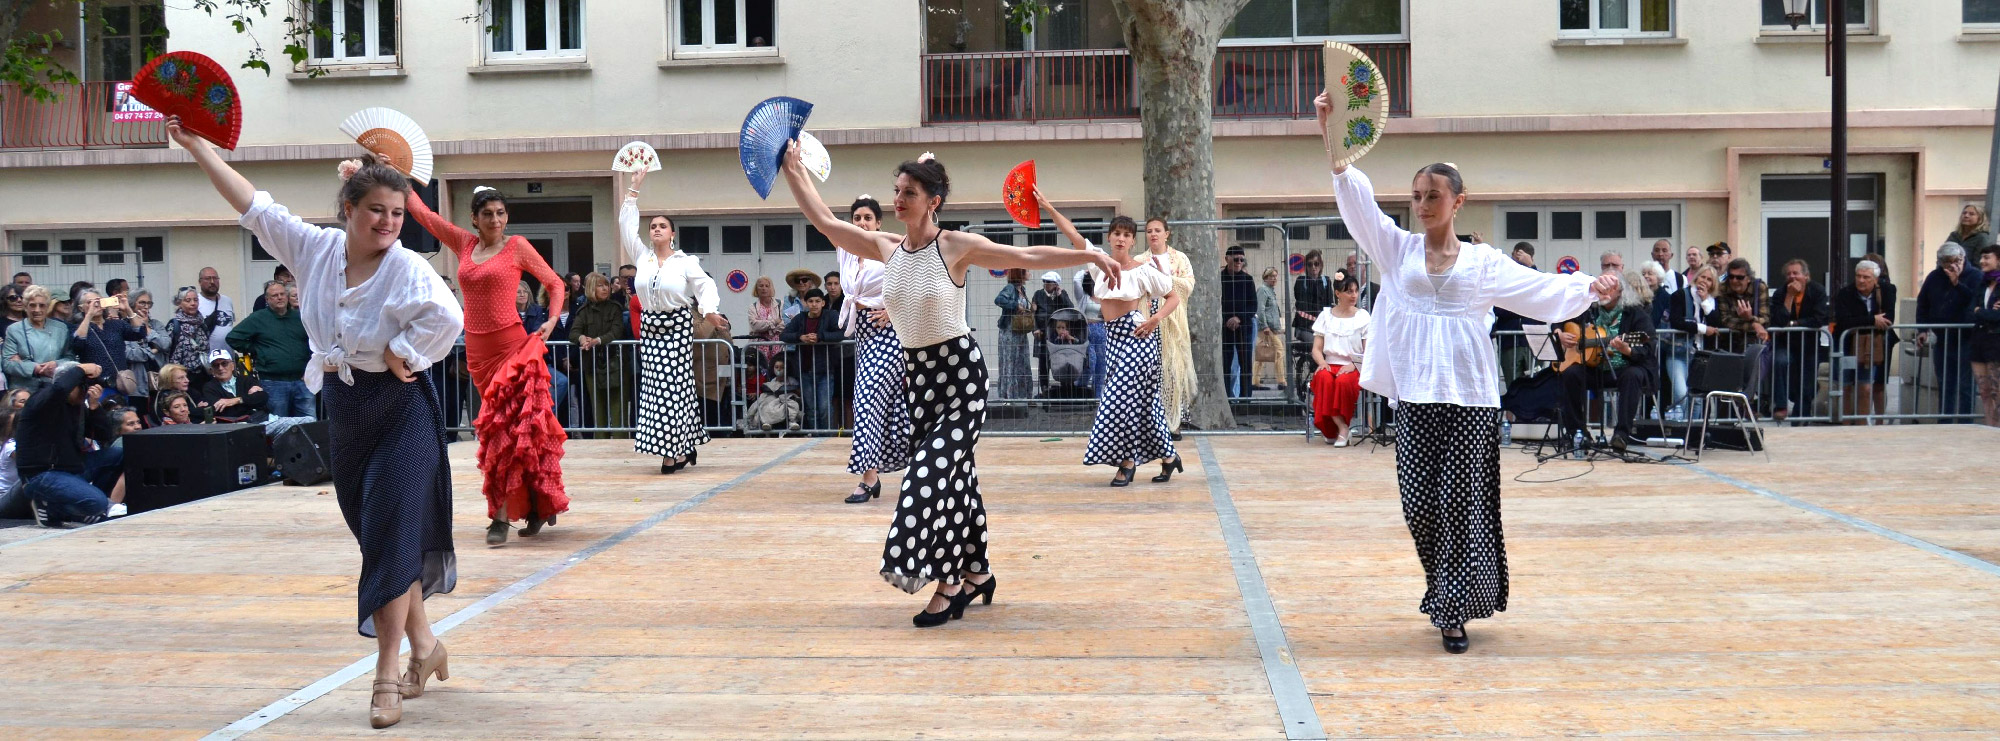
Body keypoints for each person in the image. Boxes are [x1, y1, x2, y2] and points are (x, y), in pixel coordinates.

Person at [177, 118, 464, 730]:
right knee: (379, 537)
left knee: (387, 536)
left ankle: (386, 673)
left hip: (403, 409)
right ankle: (427, 646)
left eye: (395, 212)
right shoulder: (313, 249)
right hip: (344, 405)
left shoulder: (408, 266)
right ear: (348, 209)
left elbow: (447, 318)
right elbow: (252, 203)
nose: (388, 222)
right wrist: (199, 147)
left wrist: (406, 353)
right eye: (376, 211)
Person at [1317, 91, 1614, 654]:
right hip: (1415, 398)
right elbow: (1358, 206)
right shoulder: (1396, 251)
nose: (1423, 204)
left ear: (1459, 201)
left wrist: (1588, 289)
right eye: (1417, 196)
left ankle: (1451, 609)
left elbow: (1541, 290)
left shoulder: (1483, 263)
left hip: (1471, 399)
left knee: (1460, 502)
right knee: (1419, 503)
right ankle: (1446, 588)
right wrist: (1335, 142)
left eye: (1434, 196)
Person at [780, 144, 1120, 627]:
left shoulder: (954, 246)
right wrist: (793, 172)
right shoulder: (886, 248)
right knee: (957, 483)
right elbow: (826, 223)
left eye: (909, 193)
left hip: (961, 376)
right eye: (896, 191)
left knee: (926, 479)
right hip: (918, 379)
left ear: (933, 200)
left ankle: (949, 585)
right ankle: (978, 571)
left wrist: (1087, 253)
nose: (898, 200)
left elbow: (1024, 252)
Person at [402, 176, 570, 545]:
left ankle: (500, 515)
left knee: (507, 432)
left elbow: (555, 283)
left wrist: (552, 320)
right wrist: (396, 176)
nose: (496, 220)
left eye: (500, 213)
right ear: (474, 218)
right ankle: (537, 507)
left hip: (511, 346)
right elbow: (424, 215)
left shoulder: (517, 247)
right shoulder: (464, 242)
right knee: (499, 432)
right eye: (488, 214)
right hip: (478, 352)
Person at [1043, 198, 1183, 486]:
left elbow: (1174, 297)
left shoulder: (1143, 270)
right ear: (1109, 237)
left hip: (1136, 340)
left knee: (1116, 401)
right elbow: (1072, 235)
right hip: (1113, 340)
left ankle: (1127, 462)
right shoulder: (1098, 264)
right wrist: (1047, 205)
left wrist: (1155, 320)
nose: (1121, 239)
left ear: (1133, 241)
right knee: (1145, 406)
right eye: (1117, 233)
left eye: (1127, 235)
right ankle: (1170, 458)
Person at [618, 168, 728, 474]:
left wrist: (708, 310)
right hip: (651, 328)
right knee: (661, 390)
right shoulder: (642, 257)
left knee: (671, 388)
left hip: (677, 325)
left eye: (662, 226)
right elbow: (627, 227)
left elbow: (705, 285)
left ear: (672, 233)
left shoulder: (685, 261)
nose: (655, 229)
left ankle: (670, 454)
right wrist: (634, 189)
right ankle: (685, 445)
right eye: (652, 225)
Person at [835, 195, 913, 504]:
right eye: (857, 218)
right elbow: (823, 222)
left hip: (890, 333)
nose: (862, 223)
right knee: (884, 407)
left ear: (879, 223)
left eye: (868, 218)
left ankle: (868, 478)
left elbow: (914, 282)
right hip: (863, 335)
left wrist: (893, 310)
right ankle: (879, 474)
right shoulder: (846, 252)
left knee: (865, 400)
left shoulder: (891, 249)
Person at [11, 363, 130, 526]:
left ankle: (93, 506)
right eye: (81, 386)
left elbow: (105, 436)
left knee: (121, 454)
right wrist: (81, 369)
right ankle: (59, 507)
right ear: (68, 383)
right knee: (96, 502)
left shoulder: (78, 408)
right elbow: (59, 389)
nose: (85, 391)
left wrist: (95, 408)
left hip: (71, 468)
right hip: (42, 474)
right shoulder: (41, 400)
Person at [1557, 269, 1658, 448]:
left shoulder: (1636, 314)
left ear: (1620, 291)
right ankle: (1578, 432)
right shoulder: (1589, 311)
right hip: (1596, 369)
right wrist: (1559, 333)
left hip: (1624, 367)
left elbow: (1648, 346)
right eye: (1602, 287)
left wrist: (1628, 350)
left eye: (1610, 288)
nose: (1604, 292)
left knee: (1632, 375)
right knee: (1570, 373)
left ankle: (1621, 434)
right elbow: (1561, 317)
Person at [228, 280, 316, 419]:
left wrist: (312, 368)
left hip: (303, 381)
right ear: (267, 299)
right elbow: (233, 337)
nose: (279, 297)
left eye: (282, 294)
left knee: (309, 423)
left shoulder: (300, 317)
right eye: (275, 295)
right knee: (278, 423)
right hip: (274, 382)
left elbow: (315, 343)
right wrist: (256, 350)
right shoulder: (258, 318)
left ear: (287, 297)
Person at [1144, 219, 1198, 436]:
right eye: (1149, 231)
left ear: (1167, 234)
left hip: (1174, 320)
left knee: (1175, 369)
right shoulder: (1141, 260)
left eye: (1157, 230)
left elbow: (1188, 285)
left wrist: (1165, 279)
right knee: (1151, 370)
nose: (1153, 234)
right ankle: (1152, 423)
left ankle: (1174, 422)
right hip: (1149, 319)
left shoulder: (1180, 259)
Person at [1917, 243, 1980, 421]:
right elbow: (1923, 304)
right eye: (1947, 262)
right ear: (1940, 262)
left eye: (1957, 261)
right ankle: (1945, 421)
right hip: (1943, 338)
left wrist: (1957, 284)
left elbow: (1975, 302)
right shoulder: (1934, 277)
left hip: (1967, 338)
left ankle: (1966, 423)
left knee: (1965, 386)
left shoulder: (1975, 276)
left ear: (1963, 259)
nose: (1952, 266)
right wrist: (1922, 329)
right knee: (1945, 383)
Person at [1308, 273, 1371, 446]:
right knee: (1323, 378)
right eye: (1349, 291)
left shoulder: (1363, 316)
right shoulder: (1326, 316)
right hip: (1329, 363)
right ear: (1337, 293)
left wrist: (1353, 365)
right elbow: (1316, 349)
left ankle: (1343, 428)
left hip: (1354, 365)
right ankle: (1335, 428)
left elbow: (1368, 350)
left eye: (1356, 291)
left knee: (1343, 382)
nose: (1354, 295)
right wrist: (1322, 363)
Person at [198, 349, 318, 439]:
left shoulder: (246, 379)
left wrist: (235, 400)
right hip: (244, 427)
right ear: (211, 370)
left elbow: (263, 398)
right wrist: (249, 399)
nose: (220, 368)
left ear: (232, 365)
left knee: (310, 421)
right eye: (215, 365)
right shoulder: (209, 387)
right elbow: (225, 411)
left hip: (265, 420)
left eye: (224, 363)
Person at [1834, 259, 1896, 421]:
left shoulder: (1887, 291)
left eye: (1866, 277)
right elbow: (1844, 321)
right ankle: (1847, 424)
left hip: (1871, 347)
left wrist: (1861, 320)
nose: (1861, 280)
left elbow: (1889, 319)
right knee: (1846, 387)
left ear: (1875, 279)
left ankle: (1862, 425)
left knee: (1866, 387)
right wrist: (1872, 320)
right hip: (1846, 345)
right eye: (1858, 276)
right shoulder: (1845, 293)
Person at [571, 272, 631, 439]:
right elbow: (574, 332)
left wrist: (598, 340)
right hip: (593, 365)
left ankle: (621, 448)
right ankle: (601, 445)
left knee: (618, 409)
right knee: (598, 410)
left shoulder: (615, 307)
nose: (606, 288)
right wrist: (581, 338)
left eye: (606, 285)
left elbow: (617, 331)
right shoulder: (583, 311)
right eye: (600, 285)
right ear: (591, 288)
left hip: (617, 364)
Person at [1769, 258, 1829, 422]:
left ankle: (1800, 418)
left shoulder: (1817, 291)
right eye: (1788, 274)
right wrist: (1789, 296)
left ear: (1806, 276)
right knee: (1779, 362)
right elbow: (1778, 321)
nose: (1792, 277)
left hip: (1808, 345)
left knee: (1806, 383)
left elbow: (1818, 319)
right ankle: (1781, 405)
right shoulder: (1781, 293)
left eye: (1796, 273)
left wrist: (1794, 323)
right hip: (1785, 343)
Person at [65, 288, 145, 400]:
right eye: (89, 302)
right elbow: (77, 344)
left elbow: (139, 332)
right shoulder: (77, 327)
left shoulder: (116, 324)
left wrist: (127, 309)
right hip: (95, 387)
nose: (95, 305)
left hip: (120, 384)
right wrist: (89, 315)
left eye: (98, 301)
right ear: (80, 308)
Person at [781, 288, 844, 430]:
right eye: (810, 301)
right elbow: (783, 336)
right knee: (810, 409)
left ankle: (826, 439)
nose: (814, 304)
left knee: (824, 408)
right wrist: (800, 337)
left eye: (817, 301)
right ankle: (814, 439)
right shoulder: (800, 318)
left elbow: (840, 334)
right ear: (805, 303)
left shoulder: (831, 315)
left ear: (823, 303)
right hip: (805, 370)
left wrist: (820, 337)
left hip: (825, 370)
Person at [1666, 266, 1720, 418]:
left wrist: (1704, 301)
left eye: (1709, 279)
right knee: (1682, 394)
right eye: (1703, 277)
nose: (1704, 281)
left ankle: (1693, 431)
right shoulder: (1680, 295)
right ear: (1696, 277)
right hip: (1678, 353)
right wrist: (1703, 328)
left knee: (1697, 399)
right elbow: (1677, 322)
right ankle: (1681, 428)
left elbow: (1716, 322)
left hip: (1700, 355)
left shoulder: (1711, 301)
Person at [4, 285, 73, 392]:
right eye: (32, 305)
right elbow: (8, 364)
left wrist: (56, 364)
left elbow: (70, 358)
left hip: (53, 387)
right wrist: (35, 368)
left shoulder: (61, 328)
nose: (37, 310)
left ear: (48, 307)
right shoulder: (14, 330)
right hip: (24, 390)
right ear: (25, 307)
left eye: (42, 305)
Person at [1707, 258, 1769, 355]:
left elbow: (1765, 319)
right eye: (1731, 277)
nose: (1734, 281)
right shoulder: (1722, 288)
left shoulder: (1759, 287)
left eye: (1739, 277)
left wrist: (1750, 318)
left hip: (1753, 343)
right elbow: (1725, 320)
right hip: (1728, 342)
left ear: (1748, 278)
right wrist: (1754, 324)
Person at [1290, 249, 1334, 386]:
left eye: (1316, 264)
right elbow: (1301, 304)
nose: (1313, 267)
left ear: (1321, 265)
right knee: (1317, 346)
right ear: (1306, 267)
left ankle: (1326, 377)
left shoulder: (1326, 281)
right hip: (1304, 327)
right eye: (1310, 264)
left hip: (1322, 328)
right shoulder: (1301, 281)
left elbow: (1329, 305)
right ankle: (1318, 379)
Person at [1220, 246, 1258, 398]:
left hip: (1244, 327)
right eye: (1236, 259)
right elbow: (1216, 302)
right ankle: (1226, 397)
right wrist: (1226, 319)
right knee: (1225, 364)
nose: (1239, 262)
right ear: (1227, 259)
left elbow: (1253, 305)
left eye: (1242, 260)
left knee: (1246, 363)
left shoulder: (1248, 280)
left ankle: (1245, 398)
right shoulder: (1220, 279)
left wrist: (1238, 318)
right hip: (1225, 327)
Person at [1969, 245, 2000, 426]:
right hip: (1979, 339)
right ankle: (1990, 426)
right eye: (1981, 257)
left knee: (1997, 389)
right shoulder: (1982, 282)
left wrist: (1981, 311)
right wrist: (1983, 311)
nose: (1982, 261)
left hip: (1996, 341)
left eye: (1987, 257)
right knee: (1984, 389)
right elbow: (1970, 309)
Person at [1031, 270, 1075, 396]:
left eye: (1050, 282)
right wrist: (1035, 329)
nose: (1046, 284)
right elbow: (1033, 314)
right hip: (1043, 333)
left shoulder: (1062, 294)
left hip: (1058, 333)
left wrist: (1060, 295)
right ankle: (1044, 388)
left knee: (1061, 360)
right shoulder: (1038, 294)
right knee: (1043, 362)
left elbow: (1070, 307)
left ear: (1056, 284)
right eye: (1045, 282)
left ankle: (1065, 387)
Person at [993, 269, 1034, 399]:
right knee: (1011, 362)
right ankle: (1010, 396)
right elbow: (999, 300)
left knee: (1022, 362)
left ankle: (1022, 395)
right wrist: (1015, 305)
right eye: (1027, 271)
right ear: (1020, 274)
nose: (1030, 273)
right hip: (1010, 331)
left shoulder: (1022, 290)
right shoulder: (1010, 288)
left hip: (1020, 332)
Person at [162, 287, 212, 388]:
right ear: (179, 303)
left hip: (203, 375)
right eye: (188, 300)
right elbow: (167, 351)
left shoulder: (202, 324)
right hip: (181, 378)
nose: (193, 303)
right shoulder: (174, 325)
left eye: (196, 300)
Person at [1072, 264, 1108, 394]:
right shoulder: (1083, 297)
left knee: (1101, 365)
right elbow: (1076, 280)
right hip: (1087, 331)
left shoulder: (1105, 296)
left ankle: (1097, 395)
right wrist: (1085, 271)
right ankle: (1079, 387)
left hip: (1103, 332)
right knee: (1090, 363)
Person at [1252, 266, 1286, 390]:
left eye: (1276, 276)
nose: (1274, 279)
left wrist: (1279, 327)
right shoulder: (1263, 290)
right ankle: (1282, 382)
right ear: (1265, 278)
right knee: (1279, 350)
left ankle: (1255, 381)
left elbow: (1272, 311)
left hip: (1271, 328)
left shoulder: (1271, 291)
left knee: (1261, 354)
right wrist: (1265, 326)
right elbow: (1260, 309)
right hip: (1266, 328)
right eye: (1272, 276)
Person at [746, 275, 786, 371]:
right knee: (761, 372)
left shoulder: (781, 304)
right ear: (756, 288)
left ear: (771, 287)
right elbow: (755, 326)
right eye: (761, 286)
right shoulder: (753, 307)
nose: (764, 288)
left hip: (778, 345)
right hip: (759, 346)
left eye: (767, 286)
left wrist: (767, 326)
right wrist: (774, 322)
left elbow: (785, 324)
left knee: (777, 372)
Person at [195, 266, 235, 353]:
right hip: (206, 359)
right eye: (208, 279)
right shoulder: (195, 302)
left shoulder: (227, 301)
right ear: (200, 282)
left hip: (227, 358)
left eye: (215, 278)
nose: (212, 282)